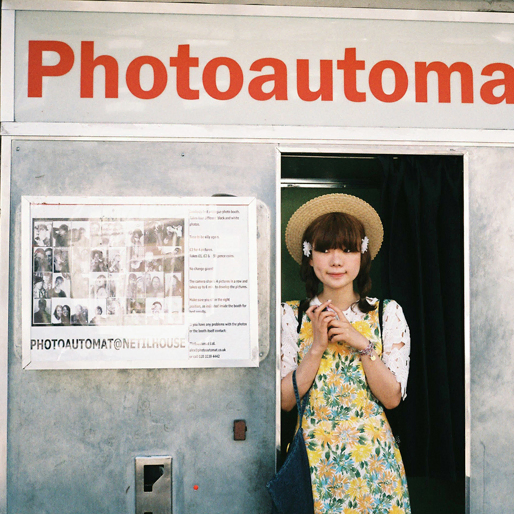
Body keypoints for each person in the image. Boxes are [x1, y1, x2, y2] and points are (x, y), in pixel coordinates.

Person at [281, 194, 411, 514]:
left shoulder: (387, 313)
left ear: (362, 256)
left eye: (348, 249)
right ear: (310, 257)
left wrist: (360, 341)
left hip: (374, 467)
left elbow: (392, 398)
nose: (336, 260)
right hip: (312, 465)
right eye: (324, 249)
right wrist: (316, 347)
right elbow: (284, 401)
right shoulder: (292, 315)